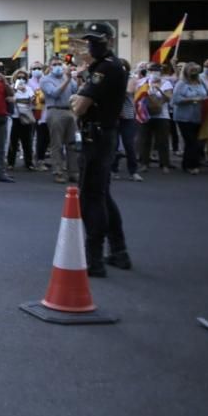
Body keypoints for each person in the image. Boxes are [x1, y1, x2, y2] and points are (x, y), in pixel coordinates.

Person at [70, 23, 130, 277]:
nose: (91, 45)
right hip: (103, 133)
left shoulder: (106, 68)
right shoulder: (107, 66)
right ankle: (119, 251)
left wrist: (77, 98)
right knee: (102, 194)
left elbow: (79, 106)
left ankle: (94, 258)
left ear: (109, 41)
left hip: (97, 135)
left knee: (91, 197)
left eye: (96, 40)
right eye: (89, 41)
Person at [41, 60, 78, 183]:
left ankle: (73, 172)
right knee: (57, 143)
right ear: (50, 67)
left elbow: (75, 90)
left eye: (59, 64)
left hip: (69, 111)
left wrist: (76, 77)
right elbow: (55, 93)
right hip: (55, 111)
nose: (58, 67)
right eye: (55, 64)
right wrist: (67, 80)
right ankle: (58, 172)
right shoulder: (46, 79)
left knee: (72, 143)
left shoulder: (67, 77)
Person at [172, 62, 208, 175]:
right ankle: (191, 165)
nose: (195, 73)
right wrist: (193, 99)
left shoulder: (200, 81)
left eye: (197, 70)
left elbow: (206, 93)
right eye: (192, 70)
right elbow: (176, 100)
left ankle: (187, 163)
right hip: (184, 117)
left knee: (197, 142)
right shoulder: (181, 83)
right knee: (191, 141)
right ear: (187, 71)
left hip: (198, 116)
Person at [138, 63, 173, 174]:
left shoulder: (166, 83)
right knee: (144, 140)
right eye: (151, 70)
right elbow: (137, 96)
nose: (154, 72)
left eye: (156, 70)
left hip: (162, 115)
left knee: (162, 140)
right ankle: (144, 163)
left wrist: (160, 90)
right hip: (146, 114)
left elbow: (168, 98)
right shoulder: (143, 82)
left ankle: (164, 164)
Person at [7, 69, 36, 172]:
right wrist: (17, 94)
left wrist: (19, 99)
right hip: (15, 117)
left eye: (23, 78)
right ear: (15, 78)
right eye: (19, 77)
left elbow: (32, 100)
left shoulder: (28, 88)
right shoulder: (11, 88)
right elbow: (9, 99)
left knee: (27, 141)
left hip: (26, 117)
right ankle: (10, 163)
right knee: (13, 142)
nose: (21, 79)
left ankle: (29, 162)